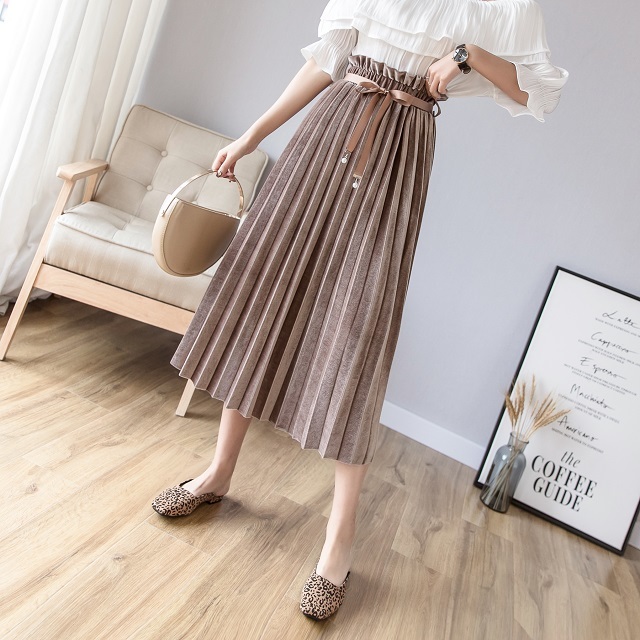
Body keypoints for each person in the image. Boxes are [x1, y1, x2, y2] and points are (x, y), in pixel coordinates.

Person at [151, 0, 568, 621]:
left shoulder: (501, 5)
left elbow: (535, 91)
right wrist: (251, 137)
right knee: (270, 297)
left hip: (398, 155)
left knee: (359, 329)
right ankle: (218, 472)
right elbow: (328, 63)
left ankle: (338, 541)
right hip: (325, 136)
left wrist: (468, 56)